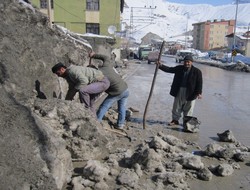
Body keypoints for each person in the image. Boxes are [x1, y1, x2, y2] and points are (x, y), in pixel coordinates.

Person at [156, 55, 203, 126]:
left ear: (191, 62)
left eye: (188, 62)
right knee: (177, 106)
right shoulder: (179, 68)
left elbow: (199, 82)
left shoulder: (197, 71)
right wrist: (160, 65)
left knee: (189, 108)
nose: (187, 63)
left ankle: (186, 122)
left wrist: (199, 93)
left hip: (191, 92)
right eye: (185, 62)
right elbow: (169, 69)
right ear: (183, 62)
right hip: (179, 90)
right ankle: (175, 120)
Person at [89, 52, 129, 129]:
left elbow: (97, 91)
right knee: (122, 108)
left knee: (104, 106)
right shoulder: (106, 66)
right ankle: (120, 125)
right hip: (125, 89)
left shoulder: (98, 76)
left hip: (117, 92)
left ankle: (96, 123)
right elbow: (106, 57)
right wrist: (94, 55)